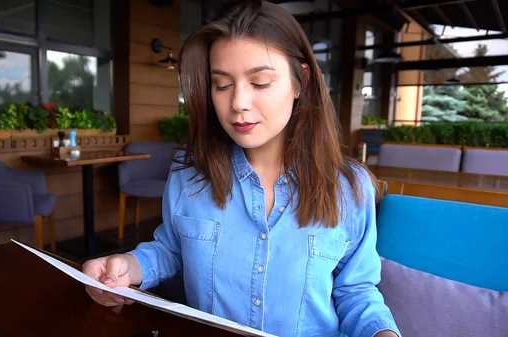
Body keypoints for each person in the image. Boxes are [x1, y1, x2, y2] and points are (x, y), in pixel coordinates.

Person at [83, 1, 400, 336]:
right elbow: (172, 250)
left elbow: (355, 291)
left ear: (300, 82)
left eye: (260, 82)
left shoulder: (349, 189)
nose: (238, 103)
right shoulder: (189, 175)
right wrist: (125, 267)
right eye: (222, 84)